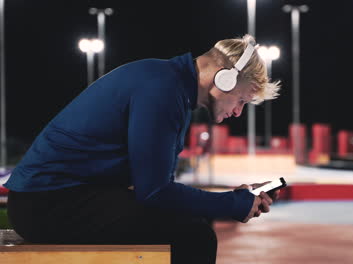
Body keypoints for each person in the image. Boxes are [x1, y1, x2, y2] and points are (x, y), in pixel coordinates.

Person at [3, 34, 281, 263]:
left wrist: (239, 197)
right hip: (46, 205)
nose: (238, 113)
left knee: (193, 222)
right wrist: (232, 203)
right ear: (224, 79)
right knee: (195, 236)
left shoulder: (171, 87)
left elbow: (157, 189)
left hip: (58, 197)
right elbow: (155, 192)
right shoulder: (163, 91)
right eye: (242, 101)